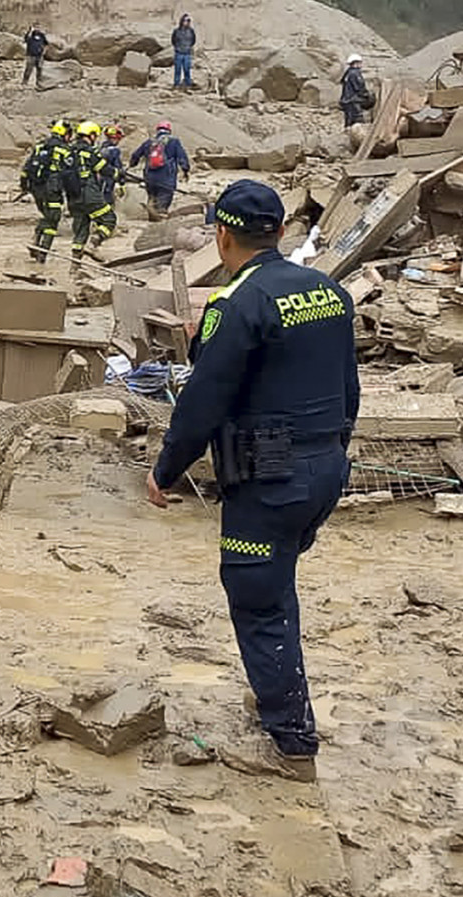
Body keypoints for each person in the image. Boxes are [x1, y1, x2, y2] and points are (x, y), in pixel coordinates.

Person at [145, 179, 359, 782]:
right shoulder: (329, 290)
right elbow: (349, 388)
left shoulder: (236, 305)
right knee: (277, 583)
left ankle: (291, 746)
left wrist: (165, 470)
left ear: (221, 234)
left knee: (258, 601)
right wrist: (333, 454)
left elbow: (202, 403)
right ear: (282, 232)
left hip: (267, 476)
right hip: (322, 470)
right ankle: (277, 697)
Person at [64, 120, 117, 263]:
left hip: (72, 197)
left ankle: (75, 267)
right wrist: (118, 174)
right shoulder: (88, 152)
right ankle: (93, 244)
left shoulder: (68, 151)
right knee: (109, 219)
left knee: (80, 231)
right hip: (89, 193)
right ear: (91, 135)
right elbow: (104, 168)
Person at [21, 119, 72, 262]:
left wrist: (25, 187)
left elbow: (26, 169)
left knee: (47, 216)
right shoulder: (64, 149)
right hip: (52, 190)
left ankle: (38, 246)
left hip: (36, 188)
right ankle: (41, 250)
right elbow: (71, 172)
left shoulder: (40, 147)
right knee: (53, 220)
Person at [129, 120, 191, 219]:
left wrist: (132, 164)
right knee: (164, 200)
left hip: (149, 177)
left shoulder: (149, 142)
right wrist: (185, 170)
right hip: (166, 177)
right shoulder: (174, 141)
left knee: (152, 196)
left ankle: (151, 211)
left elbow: (135, 155)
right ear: (169, 130)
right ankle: (160, 218)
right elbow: (182, 157)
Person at [339, 54, 373, 126]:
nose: (361, 64)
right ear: (356, 63)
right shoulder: (355, 73)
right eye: (360, 62)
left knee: (348, 120)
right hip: (353, 100)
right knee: (357, 120)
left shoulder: (348, 72)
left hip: (346, 100)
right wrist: (367, 95)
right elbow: (359, 87)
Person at [171, 14, 198, 89]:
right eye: (186, 20)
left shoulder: (191, 31)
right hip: (179, 52)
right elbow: (173, 40)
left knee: (187, 69)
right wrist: (177, 47)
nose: (187, 22)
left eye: (189, 21)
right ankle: (176, 84)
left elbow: (193, 40)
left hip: (187, 53)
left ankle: (188, 83)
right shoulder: (176, 31)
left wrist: (189, 47)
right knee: (178, 69)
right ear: (182, 21)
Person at [22, 25, 48, 90]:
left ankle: (39, 83)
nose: (37, 29)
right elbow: (25, 40)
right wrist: (30, 31)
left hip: (39, 56)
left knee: (39, 70)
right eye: (36, 27)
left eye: (38, 27)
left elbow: (46, 44)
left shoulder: (42, 35)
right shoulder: (30, 35)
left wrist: (44, 52)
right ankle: (24, 82)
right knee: (28, 69)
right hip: (31, 55)